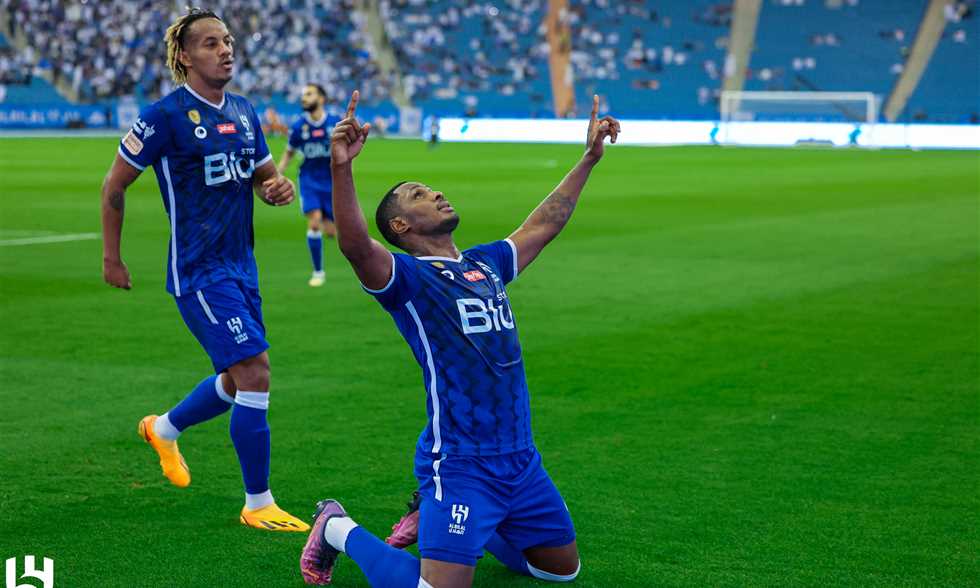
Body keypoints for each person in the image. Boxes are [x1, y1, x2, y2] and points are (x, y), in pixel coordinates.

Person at [299, 91, 620, 586]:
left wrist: (589, 159)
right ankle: (337, 527)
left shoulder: (484, 264)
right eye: (419, 195)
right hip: (461, 461)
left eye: (432, 189)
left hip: (520, 458)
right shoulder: (407, 279)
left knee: (559, 570)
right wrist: (342, 167)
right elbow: (356, 246)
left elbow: (544, 224)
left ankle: (457, 526)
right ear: (401, 225)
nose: (436, 193)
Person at [100, 8, 309, 532]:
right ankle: (258, 503)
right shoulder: (164, 117)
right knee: (255, 370)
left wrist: (276, 189)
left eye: (228, 41)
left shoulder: (243, 111)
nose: (226, 50)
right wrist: (112, 257)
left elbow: (264, 177)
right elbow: (115, 185)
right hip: (198, 271)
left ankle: (164, 429)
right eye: (212, 43)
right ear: (185, 55)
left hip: (241, 267)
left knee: (238, 382)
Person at [277, 83, 342, 286]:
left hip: (331, 182)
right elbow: (288, 153)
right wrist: (277, 174)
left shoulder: (335, 123)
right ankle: (318, 272)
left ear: (321, 99)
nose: (304, 98)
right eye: (303, 95)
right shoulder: (298, 127)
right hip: (309, 180)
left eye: (309, 94)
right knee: (314, 222)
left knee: (331, 232)